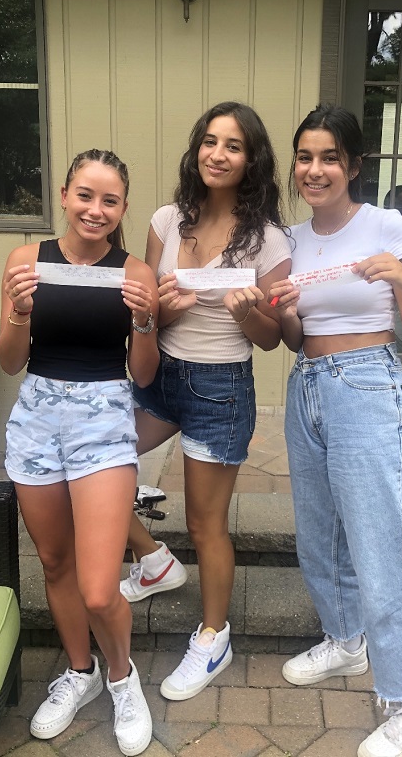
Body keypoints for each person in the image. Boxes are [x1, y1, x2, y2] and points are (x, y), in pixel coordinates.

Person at [268, 105, 402, 757]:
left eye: (329, 158)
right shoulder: (289, 239)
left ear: (354, 166)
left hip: (367, 385)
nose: (315, 170)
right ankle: (346, 642)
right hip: (306, 387)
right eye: (306, 157)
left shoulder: (386, 226)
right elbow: (294, 337)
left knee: (379, 547)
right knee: (319, 535)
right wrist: (282, 313)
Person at [120, 101, 291, 701]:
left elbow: (275, 339)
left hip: (220, 387)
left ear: (252, 161)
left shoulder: (269, 239)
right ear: (197, 150)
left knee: (205, 522)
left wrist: (250, 315)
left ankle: (214, 636)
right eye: (210, 142)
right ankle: (153, 561)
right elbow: (143, 308)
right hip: (160, 376)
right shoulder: (167, 220)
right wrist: (162, 308)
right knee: (97, 467)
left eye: (234, 146)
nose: (219, 154)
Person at [0, 149, 159, 755]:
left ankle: (123, 676)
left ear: (121, 209)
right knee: (56, 563)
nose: (96, 210)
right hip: (37, 417)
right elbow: (11, 360)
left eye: (110, 200)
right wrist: (17, 312)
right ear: (64, 196)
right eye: (85, 195)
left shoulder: (134, 273)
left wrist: (145, 323)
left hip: (103, 419)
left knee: (98, 586)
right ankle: (80, 671)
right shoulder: (25, 261)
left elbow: (143, 376)